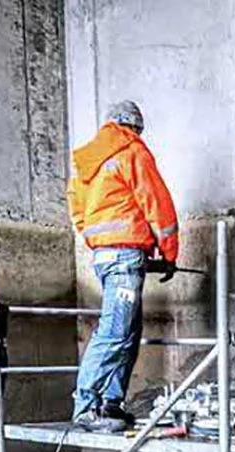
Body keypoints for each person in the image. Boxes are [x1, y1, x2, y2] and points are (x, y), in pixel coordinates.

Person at [66, 100, 179, 432]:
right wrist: (169, 252)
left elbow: (78, 213)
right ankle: (87, 407)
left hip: (105, 257)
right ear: (134, 127)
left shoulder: (86, 161)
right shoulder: (133, 152)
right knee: (116, 331)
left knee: (128, 332)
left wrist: (99, 243)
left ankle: (111, 405)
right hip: (125, 256)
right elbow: (158, 205)